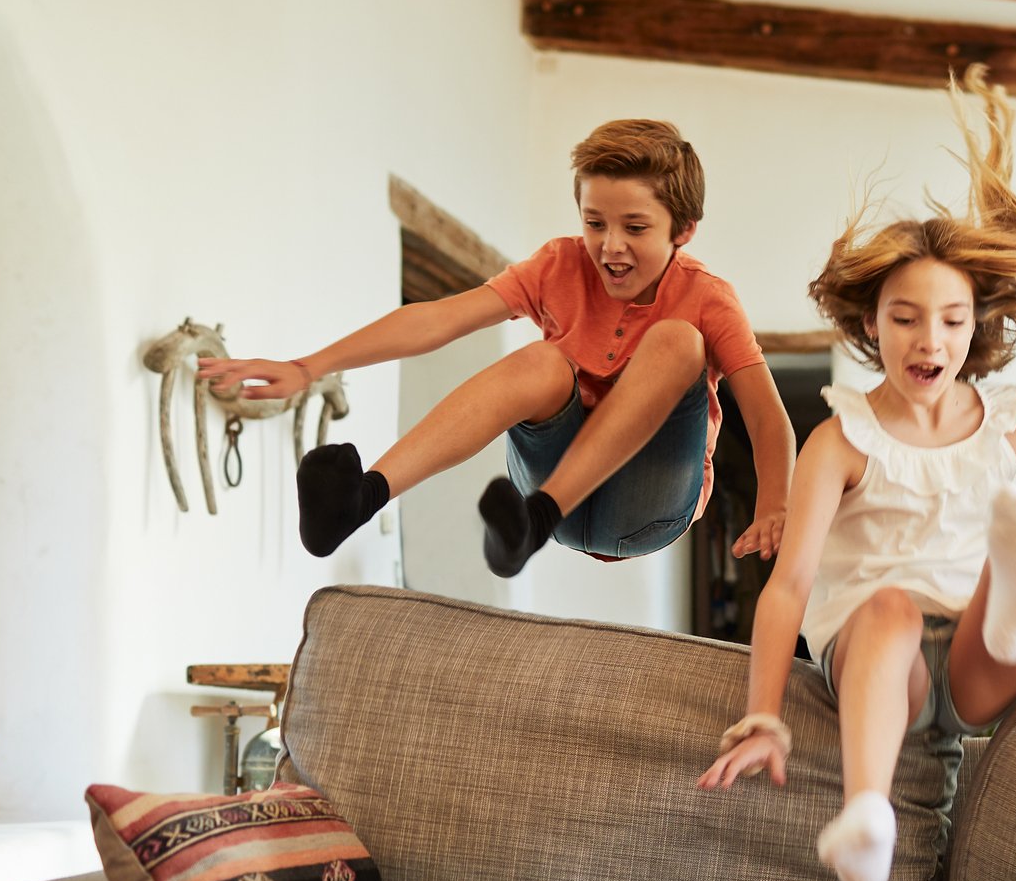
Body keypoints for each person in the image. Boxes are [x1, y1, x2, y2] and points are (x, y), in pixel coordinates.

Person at [699, 67, 1016, 881]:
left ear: (975, 329)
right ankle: (866, 815)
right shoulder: (841, 438)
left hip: (973, 665)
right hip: (878, 657)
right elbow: (786, 589)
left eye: (952, 322)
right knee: (888, 604)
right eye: (904, 319)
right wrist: (764, 713)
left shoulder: (1014, 422)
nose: (929, 340)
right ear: (869, 325)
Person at [197, 120, 794, 576]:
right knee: (542, 361)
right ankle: (362, 500)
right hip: (548, 483)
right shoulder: (559, 265)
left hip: (645, 506)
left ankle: (535, 521)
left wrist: (773, 505)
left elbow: (769, 419)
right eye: (595, 223)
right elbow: (439, 318)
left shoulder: (708, 297)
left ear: (682, 231)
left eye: (635, 228)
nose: (610, 247)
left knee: (677, 341)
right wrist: (307, 367)